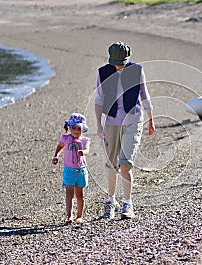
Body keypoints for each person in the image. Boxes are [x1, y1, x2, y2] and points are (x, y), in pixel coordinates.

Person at [94, 41, 155, 219]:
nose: (119, 67)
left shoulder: (137, 70)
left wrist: (151, 119)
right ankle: (110, 201)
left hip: (133, 120)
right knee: (111, 165)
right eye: (116, 63)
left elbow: (145, 95)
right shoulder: (103, 72)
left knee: (125, 164)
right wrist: (98, 124)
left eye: (122, 63)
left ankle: (128, 204)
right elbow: (99, 100)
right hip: (111, 122)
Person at [52, 113, 90, 224]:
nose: (76, 131)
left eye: (79, 128)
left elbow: (87, 149)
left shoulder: (85, 140)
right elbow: (60, 146)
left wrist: (83, 152)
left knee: (80, 194)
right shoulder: (65, 138)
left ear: (83, 129)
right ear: (69, 128)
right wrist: (56, 156)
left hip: (81, 170)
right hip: (69, 170)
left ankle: (79, 216)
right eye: (74, 128)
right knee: (69, 193)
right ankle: (69, 216)